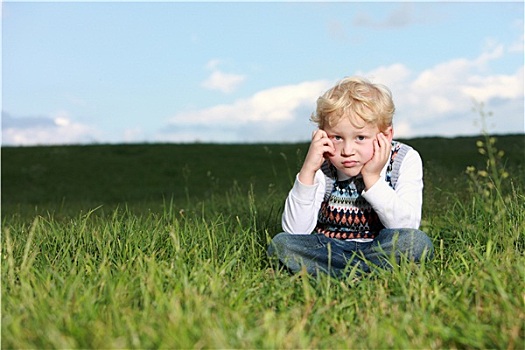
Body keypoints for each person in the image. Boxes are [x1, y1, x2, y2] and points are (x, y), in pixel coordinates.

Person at [268, 76, 433, 278]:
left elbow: (406, 226)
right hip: (330, 249)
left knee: (416, 243)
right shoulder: (324, 163)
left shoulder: (404, 158)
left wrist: (372, 178)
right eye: (337, 137)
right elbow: (294, 230)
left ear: (386, 135)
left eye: (360, 138)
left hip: (380, 246)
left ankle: (333, 274)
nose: (347, 151)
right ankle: (369, 274)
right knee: (281, 244)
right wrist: (308, 171)